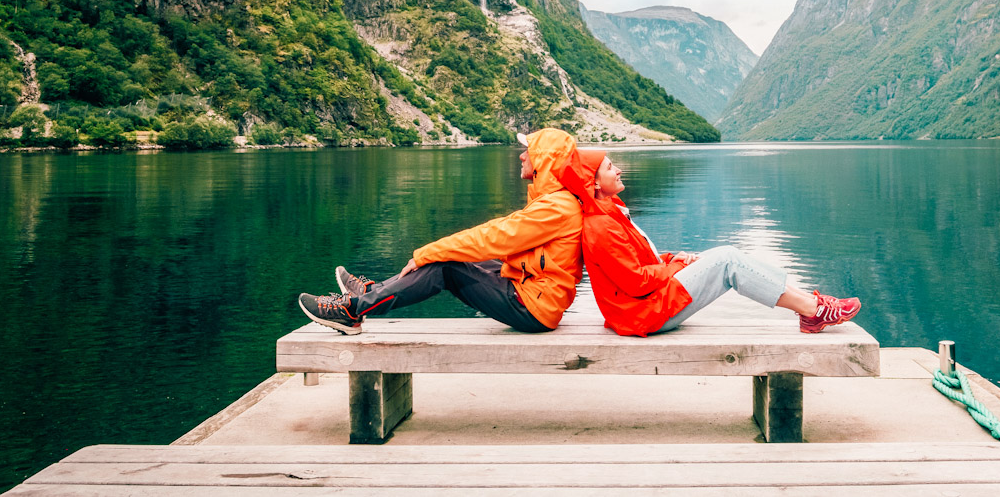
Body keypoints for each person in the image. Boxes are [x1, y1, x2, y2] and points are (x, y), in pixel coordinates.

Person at [298, 128, 584, 335]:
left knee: (444, 268)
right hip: (533, 291)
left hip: (532, 308)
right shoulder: (553, 200)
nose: (522, 156)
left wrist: (425, 253)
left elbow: (492, 237)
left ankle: (353, 309)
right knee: (461, 258)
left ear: (545, 159)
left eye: (529, 151)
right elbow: (498, 241)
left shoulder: (556, 207)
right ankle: (373, 290)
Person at [559, 149, 861, 338]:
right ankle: (812, 310)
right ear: (594, 182)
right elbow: (636, 282)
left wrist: (670, 258)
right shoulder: (600, 225)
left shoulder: (609, 213)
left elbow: (637, 262)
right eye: (611, 167)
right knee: (727, 260)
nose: (619, 170)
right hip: (642, 314)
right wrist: (677, 265)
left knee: (725, 255)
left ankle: (812, 306)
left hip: (644, 306)